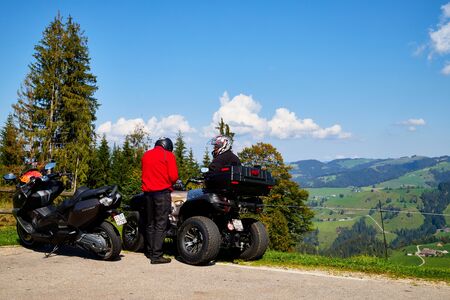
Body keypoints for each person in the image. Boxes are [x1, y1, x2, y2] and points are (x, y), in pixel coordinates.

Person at [141, 137, 179, 264]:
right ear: (168, 146)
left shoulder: (146, 155)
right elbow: (174, 176)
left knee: (150, 223)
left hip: (147, 194)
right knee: (161, 224)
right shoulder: (168, 155)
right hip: (162, 193)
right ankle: (156, 255)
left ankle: (150, 251)